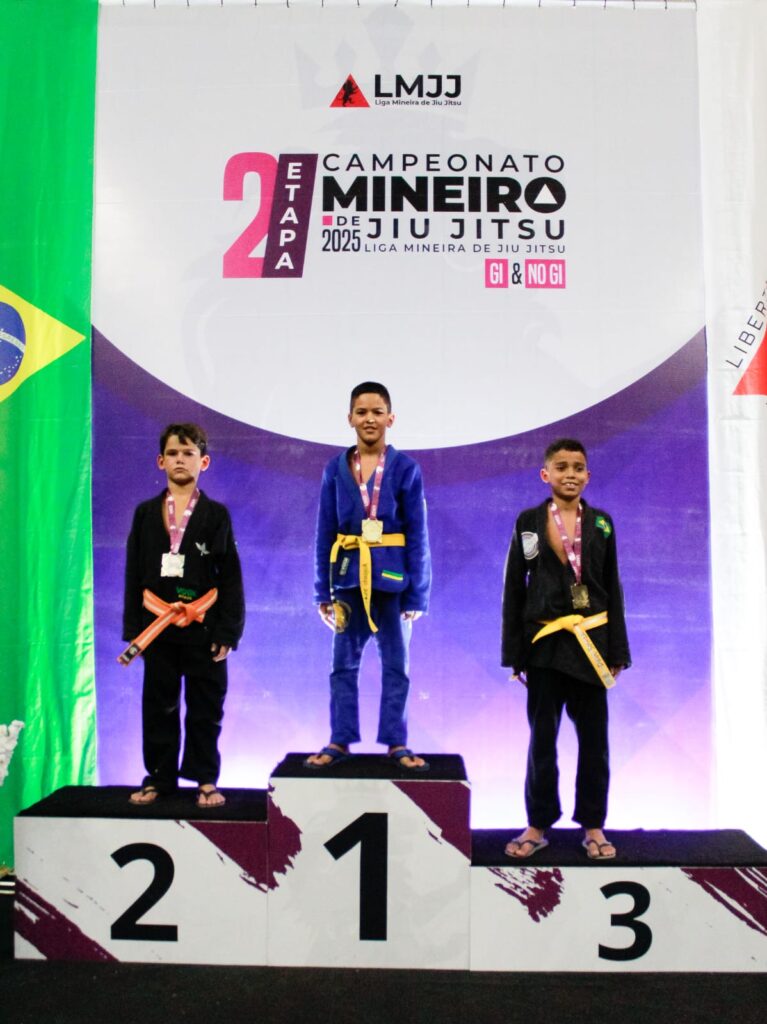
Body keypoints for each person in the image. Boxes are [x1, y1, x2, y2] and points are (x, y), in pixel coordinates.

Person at [501, 439, 630, 859]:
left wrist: (618, 650)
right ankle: (537, 824)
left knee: (595, 742)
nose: (570, 474)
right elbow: (514, 587)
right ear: (546, 474)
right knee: (541, 740)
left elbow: (613, 586)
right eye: (561, 467)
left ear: (587, 476)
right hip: (544, 645)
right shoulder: (528, 522)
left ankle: (593, 826)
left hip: (592, 646)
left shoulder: (602, 524)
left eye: (577, 467)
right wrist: (515, 654)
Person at [306, 382, 431, 771]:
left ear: (391, 418)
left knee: (396, 665)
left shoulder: (406, 469)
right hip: (346, 581)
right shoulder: (334, 470)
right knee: (342, 664)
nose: (369, 419)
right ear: (350, 419)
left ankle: (397, 741)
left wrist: (418, 594)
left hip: (393, 582)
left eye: (377, 412)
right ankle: (340, 738)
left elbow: (419, 534)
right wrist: (322, 591)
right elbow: (325, 531)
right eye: (361, 412)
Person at [124, 423, 245, 808]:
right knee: (158, 705)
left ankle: (205, 779)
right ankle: (159, 778)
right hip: (158, 626)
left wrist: (228, 631)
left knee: (206, 706)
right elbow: (133, 572)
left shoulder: (216, 515)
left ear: (203, 462)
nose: (180, 460)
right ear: (160, 461)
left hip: (202, 625)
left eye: (188, 453)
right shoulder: (145, 514)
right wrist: (134, 630)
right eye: (173, 453)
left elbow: (230, 576)